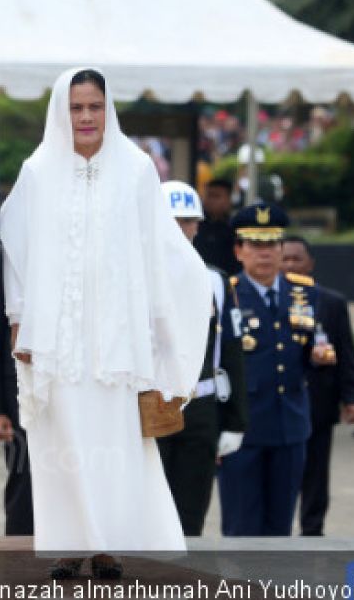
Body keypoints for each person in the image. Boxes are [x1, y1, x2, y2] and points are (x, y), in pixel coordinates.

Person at [0, 69, 210, 578]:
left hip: (120, 338)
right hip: (56, 336)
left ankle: (109, 546)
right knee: (63, 443)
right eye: (76, 108)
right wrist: (19, 319)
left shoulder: (136, 169)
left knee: (116, 442)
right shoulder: (38, 170)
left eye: (94, 106)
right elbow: (16, 250)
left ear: (108, 110)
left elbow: (160, 251)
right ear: (60, 112)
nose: (86, 117)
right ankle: (70, 547)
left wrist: (171, 320)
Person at [218, 204, 337, 537]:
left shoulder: (304, 293)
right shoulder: (226, 295)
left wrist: (318, 355)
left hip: (290, 427)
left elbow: (311, 343)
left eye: (271, 244)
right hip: (243, 430)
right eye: (255, 244)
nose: (264, 253)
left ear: (282, 248)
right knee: (242, 524)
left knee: (280, 526)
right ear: (239, 251)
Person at [157, 180, 248, 537]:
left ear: (198, 225)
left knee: (191, 514)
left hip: (201, 406)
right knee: (150, 515)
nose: (181, 228)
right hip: (151, 403)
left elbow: (232, 352)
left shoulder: (216, 282)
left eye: (188, 220)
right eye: (172, 220)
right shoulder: (133, 278)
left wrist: (235, 421)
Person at [282, 236, 354, 536]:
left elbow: (347, 353)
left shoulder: (331, 302)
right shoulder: (268, 303)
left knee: (316, 474)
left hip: (318, 403)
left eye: (297, 259)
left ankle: (312, 531)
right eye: (285, 259)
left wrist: (352, 397)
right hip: (279, 405)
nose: (291, 265)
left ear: (310, 263)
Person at [0, 253, 33, 537]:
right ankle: (20, 563)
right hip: (19, 394)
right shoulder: (11, 256)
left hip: (74, 391)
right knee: (26, 481)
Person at [194, 179, 240, 275]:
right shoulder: (195, 225)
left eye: (216, 196)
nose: (211, 200)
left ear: (228, 200)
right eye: (209, 195)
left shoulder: (235, 229)